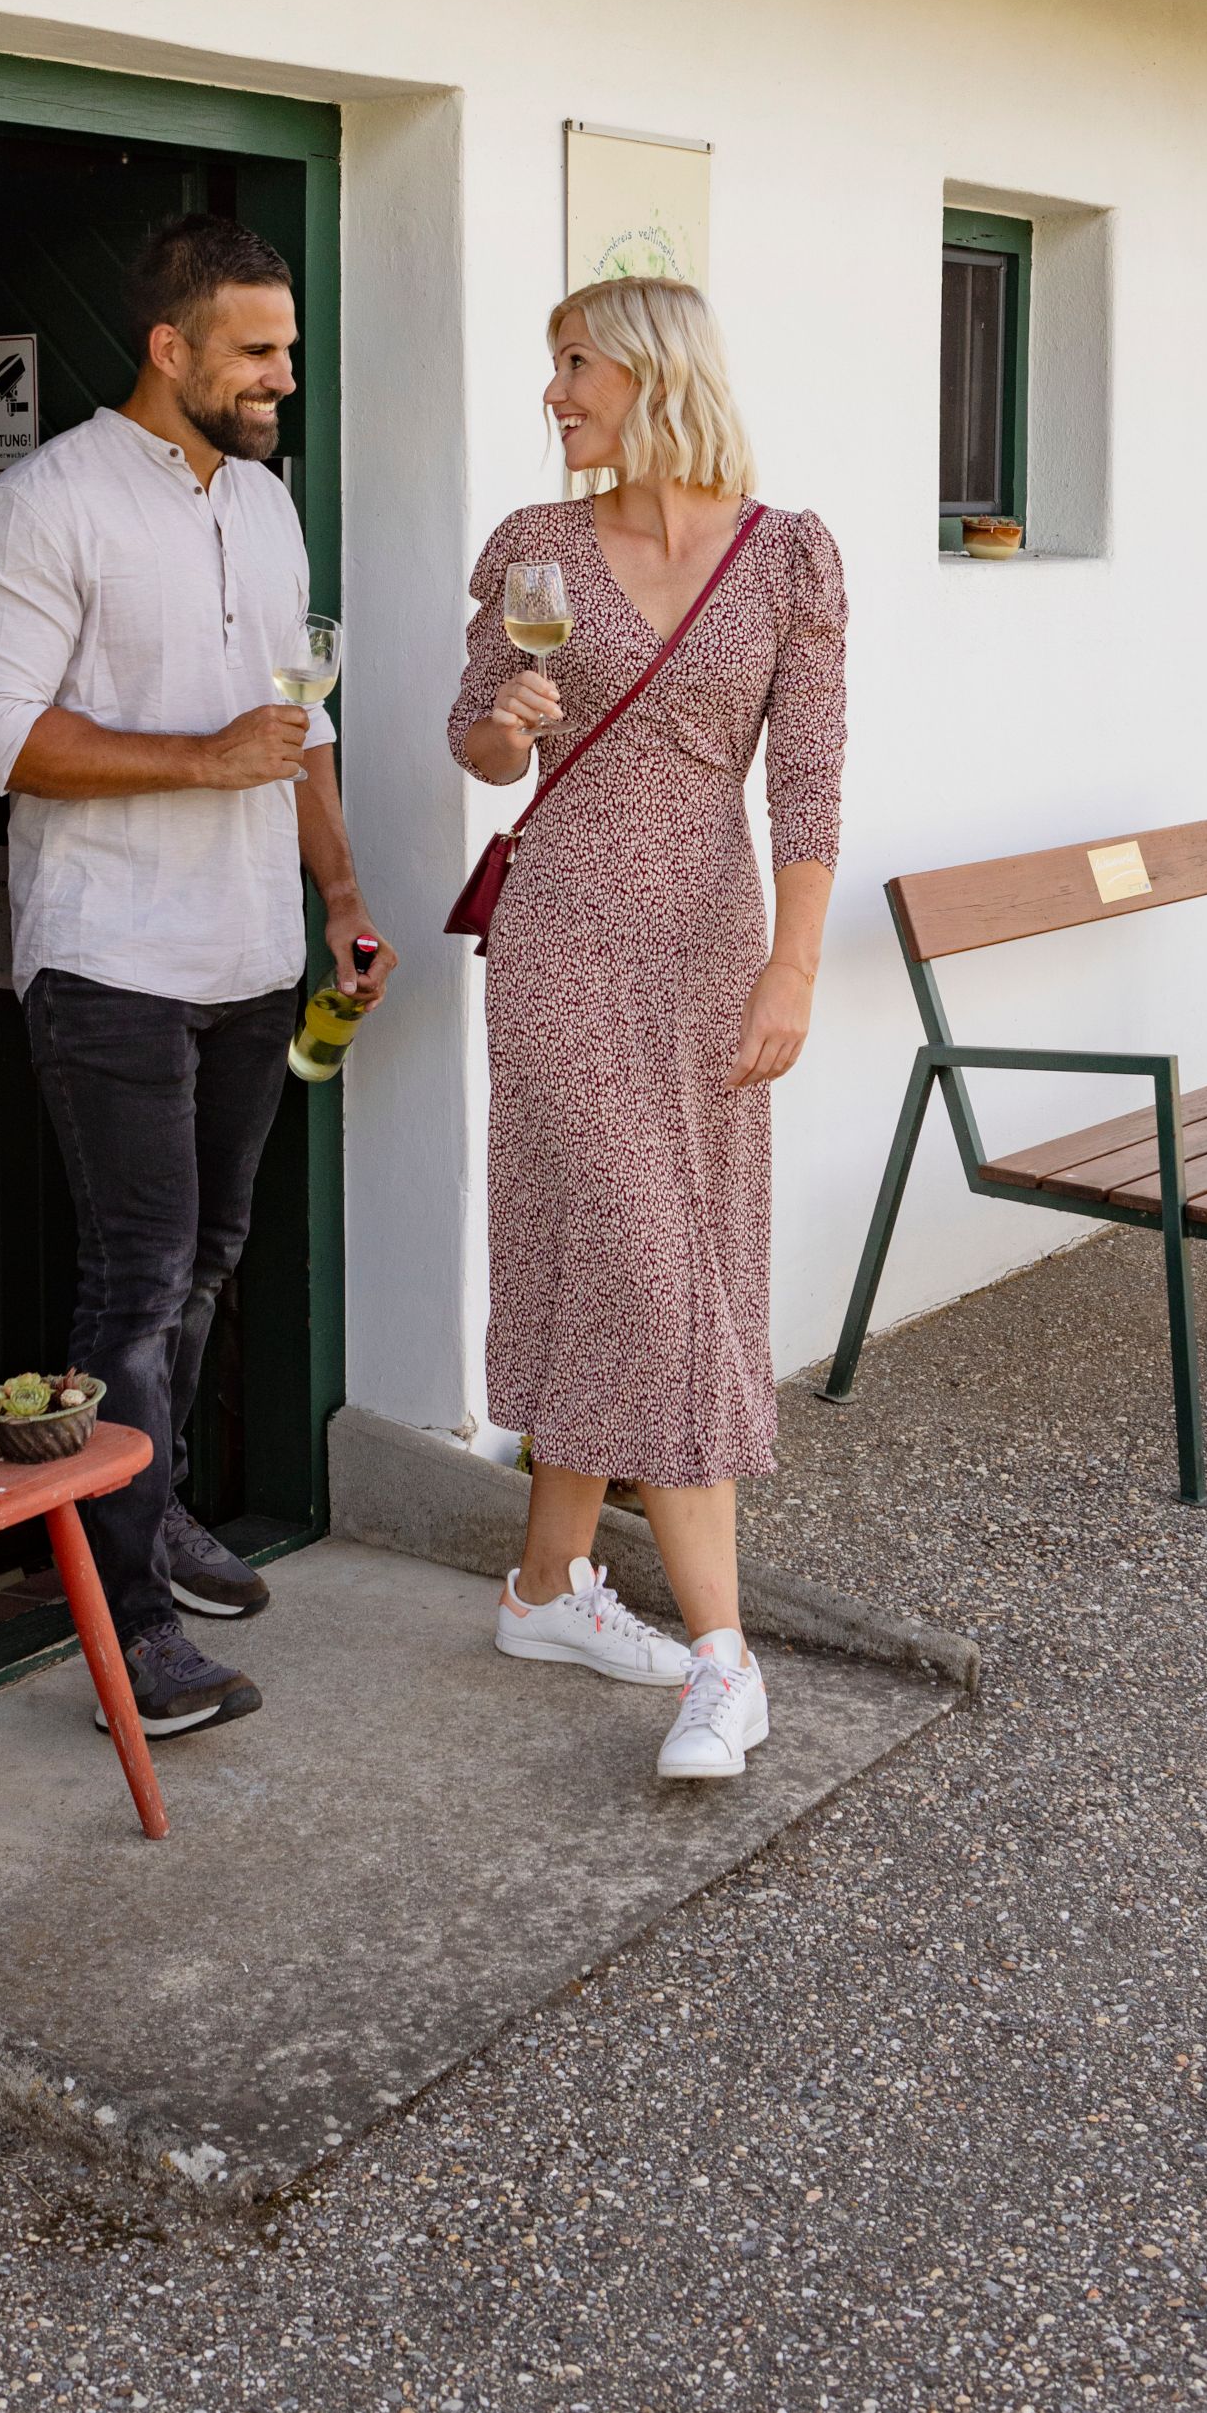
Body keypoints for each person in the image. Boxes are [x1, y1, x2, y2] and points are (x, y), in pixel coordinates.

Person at [0, 215, 395, 1737]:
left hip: (254, 950)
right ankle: (124, 1615)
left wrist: (338, 894)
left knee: (207, 1263)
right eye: (259, 350)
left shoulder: (265, 505)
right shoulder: (40, 507)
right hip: (111, 958)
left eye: (287, 349)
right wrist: (204, 763)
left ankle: (158, 1501)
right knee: (134, 1282)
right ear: (170, 349)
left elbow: (304, 725)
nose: (284, 375)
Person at [448, 275, 844, 1782]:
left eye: (575, 365)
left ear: (655, 372)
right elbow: (478, 739)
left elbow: (806, 787)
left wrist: (793, 971)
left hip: (711, 947)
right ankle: (726, 1664)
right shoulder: (537, 548)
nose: (554, 395)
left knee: (642, 1251)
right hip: (560, 935)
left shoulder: (786, 561)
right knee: (647, 1259)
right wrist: (508, 726)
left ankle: (547, 1590)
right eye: (552, 367)